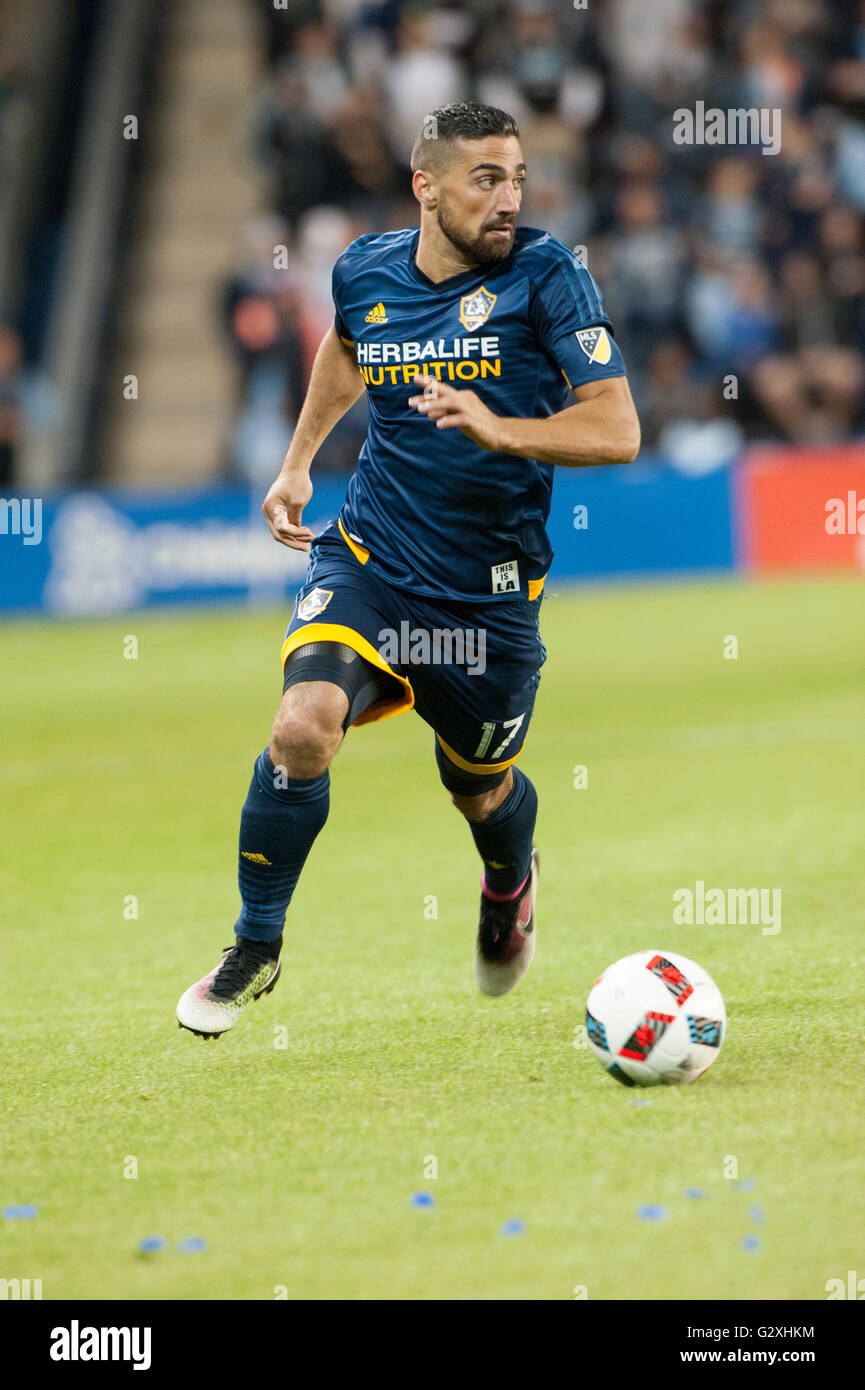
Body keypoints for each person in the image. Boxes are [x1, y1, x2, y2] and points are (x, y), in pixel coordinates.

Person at [176, 101, 640, 1039]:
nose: (509, 198)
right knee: (303, 726)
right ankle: (256, 943)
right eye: (485, 178)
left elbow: (618, 428)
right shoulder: (364, 269)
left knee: (478, 785)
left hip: (488, 597)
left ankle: (508, 883)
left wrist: (500, 426)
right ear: (426, 186)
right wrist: (299, 460)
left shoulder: (548, 275)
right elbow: (349, 345)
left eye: (516, 177)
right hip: (372, 556)